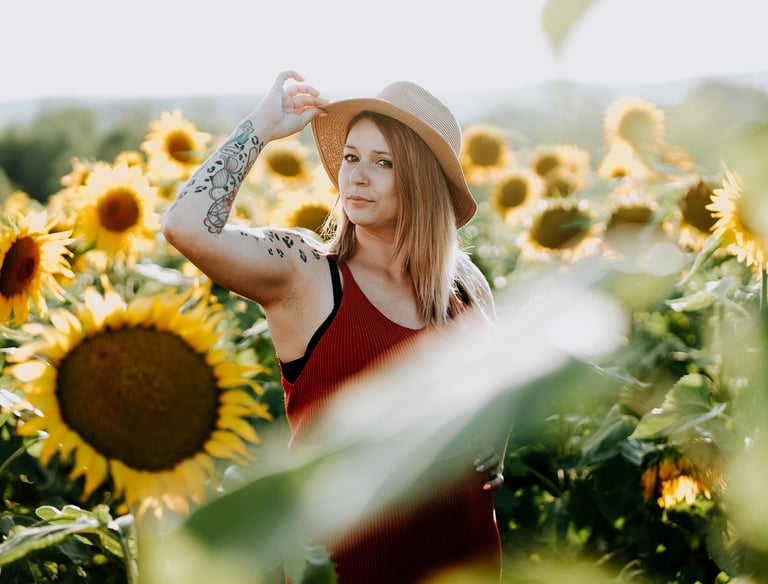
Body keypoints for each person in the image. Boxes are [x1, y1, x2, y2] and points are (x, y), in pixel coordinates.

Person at [162, 70, 506, 583]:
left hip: (466, 561)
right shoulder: (305, 273)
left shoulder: (464, 284)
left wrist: (492, 442)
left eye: (383, 162)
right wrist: (262, 125)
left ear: (422, 181)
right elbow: (185, 227)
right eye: (351, 157)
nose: (356, 177)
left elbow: (497, 386)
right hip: (346, 568)